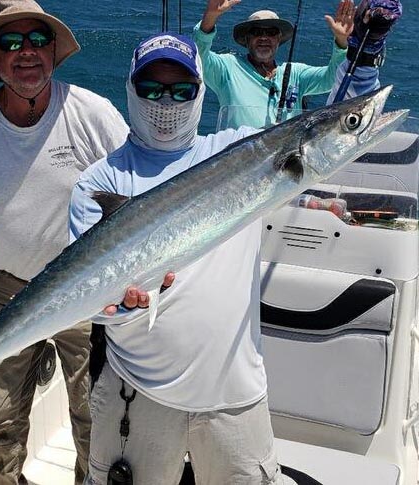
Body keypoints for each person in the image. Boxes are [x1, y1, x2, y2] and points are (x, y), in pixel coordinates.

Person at [69, 33, 280, 485]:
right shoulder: (100, 180)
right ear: (130, 90)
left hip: (234, 396)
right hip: (135, 393)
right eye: (152, 89)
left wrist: (364, 51)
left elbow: (334, 134)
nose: (166, 101)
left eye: (181, 90)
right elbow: (95, 303)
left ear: (200, 94)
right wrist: (119, 312)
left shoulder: (241, 153)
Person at [0, 0, 128, 483]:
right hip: (9, 292)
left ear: (54, 53)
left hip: (89, 291)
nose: (27, 53)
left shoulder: (93, 113)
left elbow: (138, 201)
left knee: (95, 418)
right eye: (12, 42)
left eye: (39, 41)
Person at [193, 0, 354, 129]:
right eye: (256, 32)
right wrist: (210, 18)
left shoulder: (296, 73)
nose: (264, 37)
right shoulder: (228, 67)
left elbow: (332, 79)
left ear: (278, 39)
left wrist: (341, 41)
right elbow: (198, 57)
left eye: (271, 32)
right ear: (247, 39)